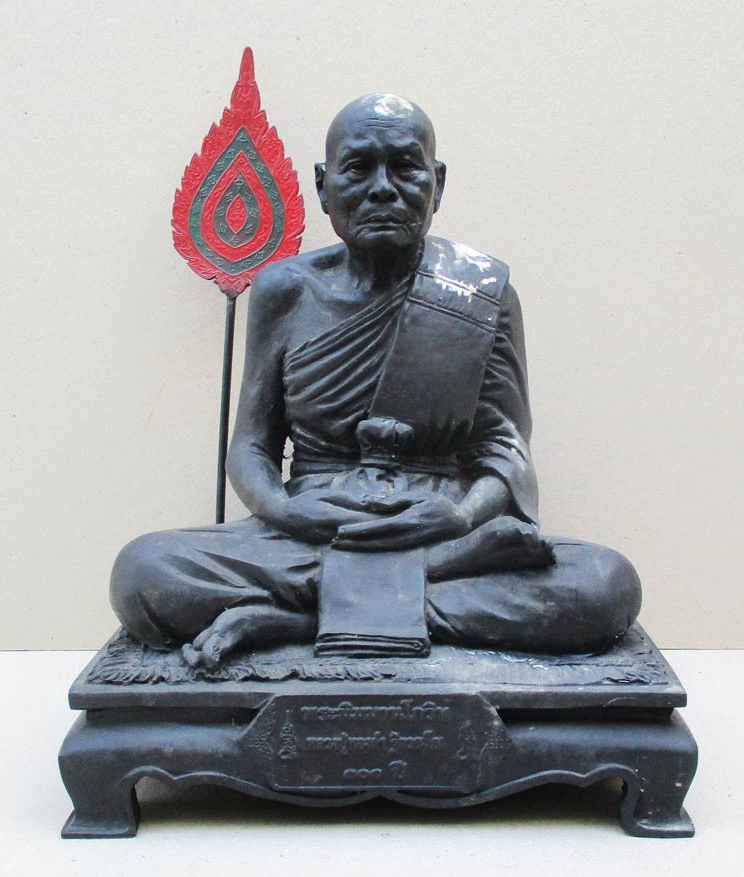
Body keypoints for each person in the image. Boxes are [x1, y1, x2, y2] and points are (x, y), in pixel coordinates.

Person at [110, 94, 641, 668]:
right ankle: (407, 596)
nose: (383, 188)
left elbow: (504, 450)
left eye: (405, 167)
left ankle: (300, 617)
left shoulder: (479, 292)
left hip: (438, 527)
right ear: (323, 186)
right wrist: (285, 512)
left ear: (438, 183)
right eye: (359, 168)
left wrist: (462, 517)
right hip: (315, 531)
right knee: (144, 571)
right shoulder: (284, 290)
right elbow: (250, 448)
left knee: (605, 584)